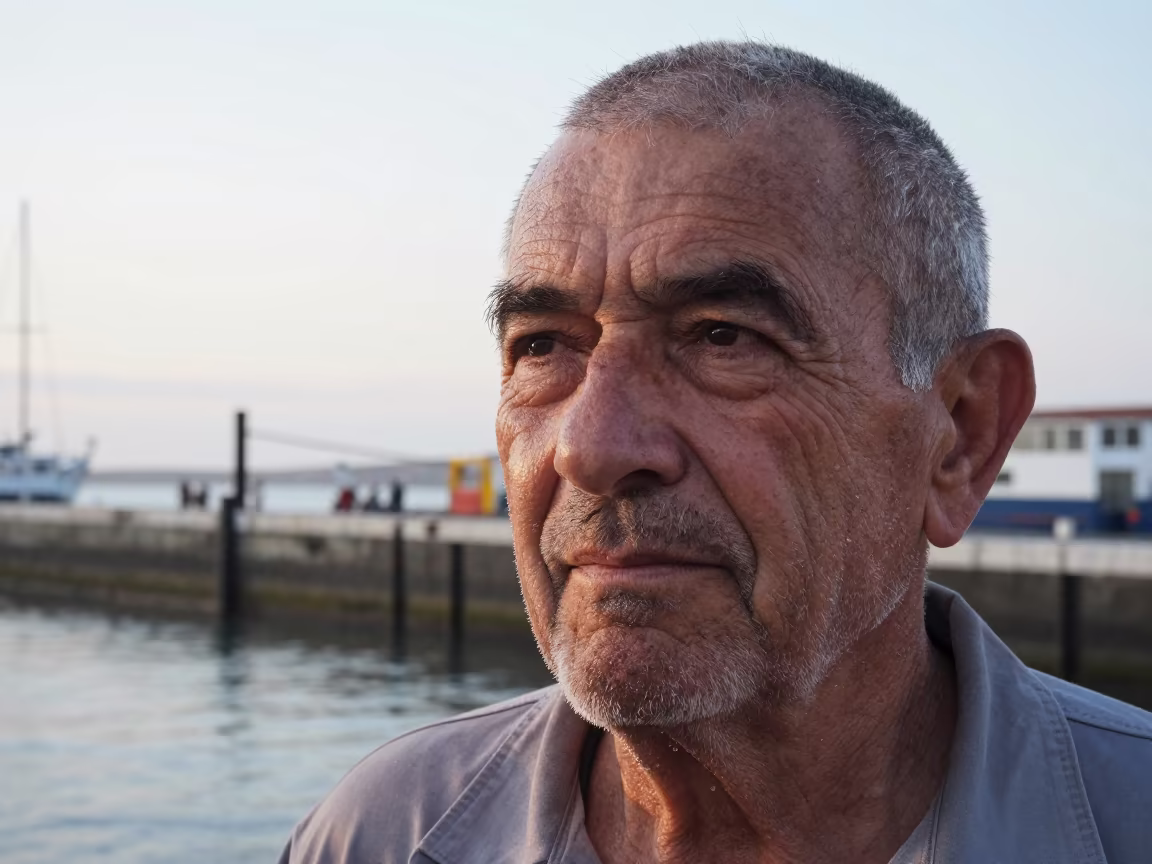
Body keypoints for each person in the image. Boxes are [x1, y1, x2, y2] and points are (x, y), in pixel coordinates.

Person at [280, 42, 1152, 863]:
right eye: (543, 346)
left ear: (960, 435)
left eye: (722, 338)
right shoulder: (383, 833)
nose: (591, 445)